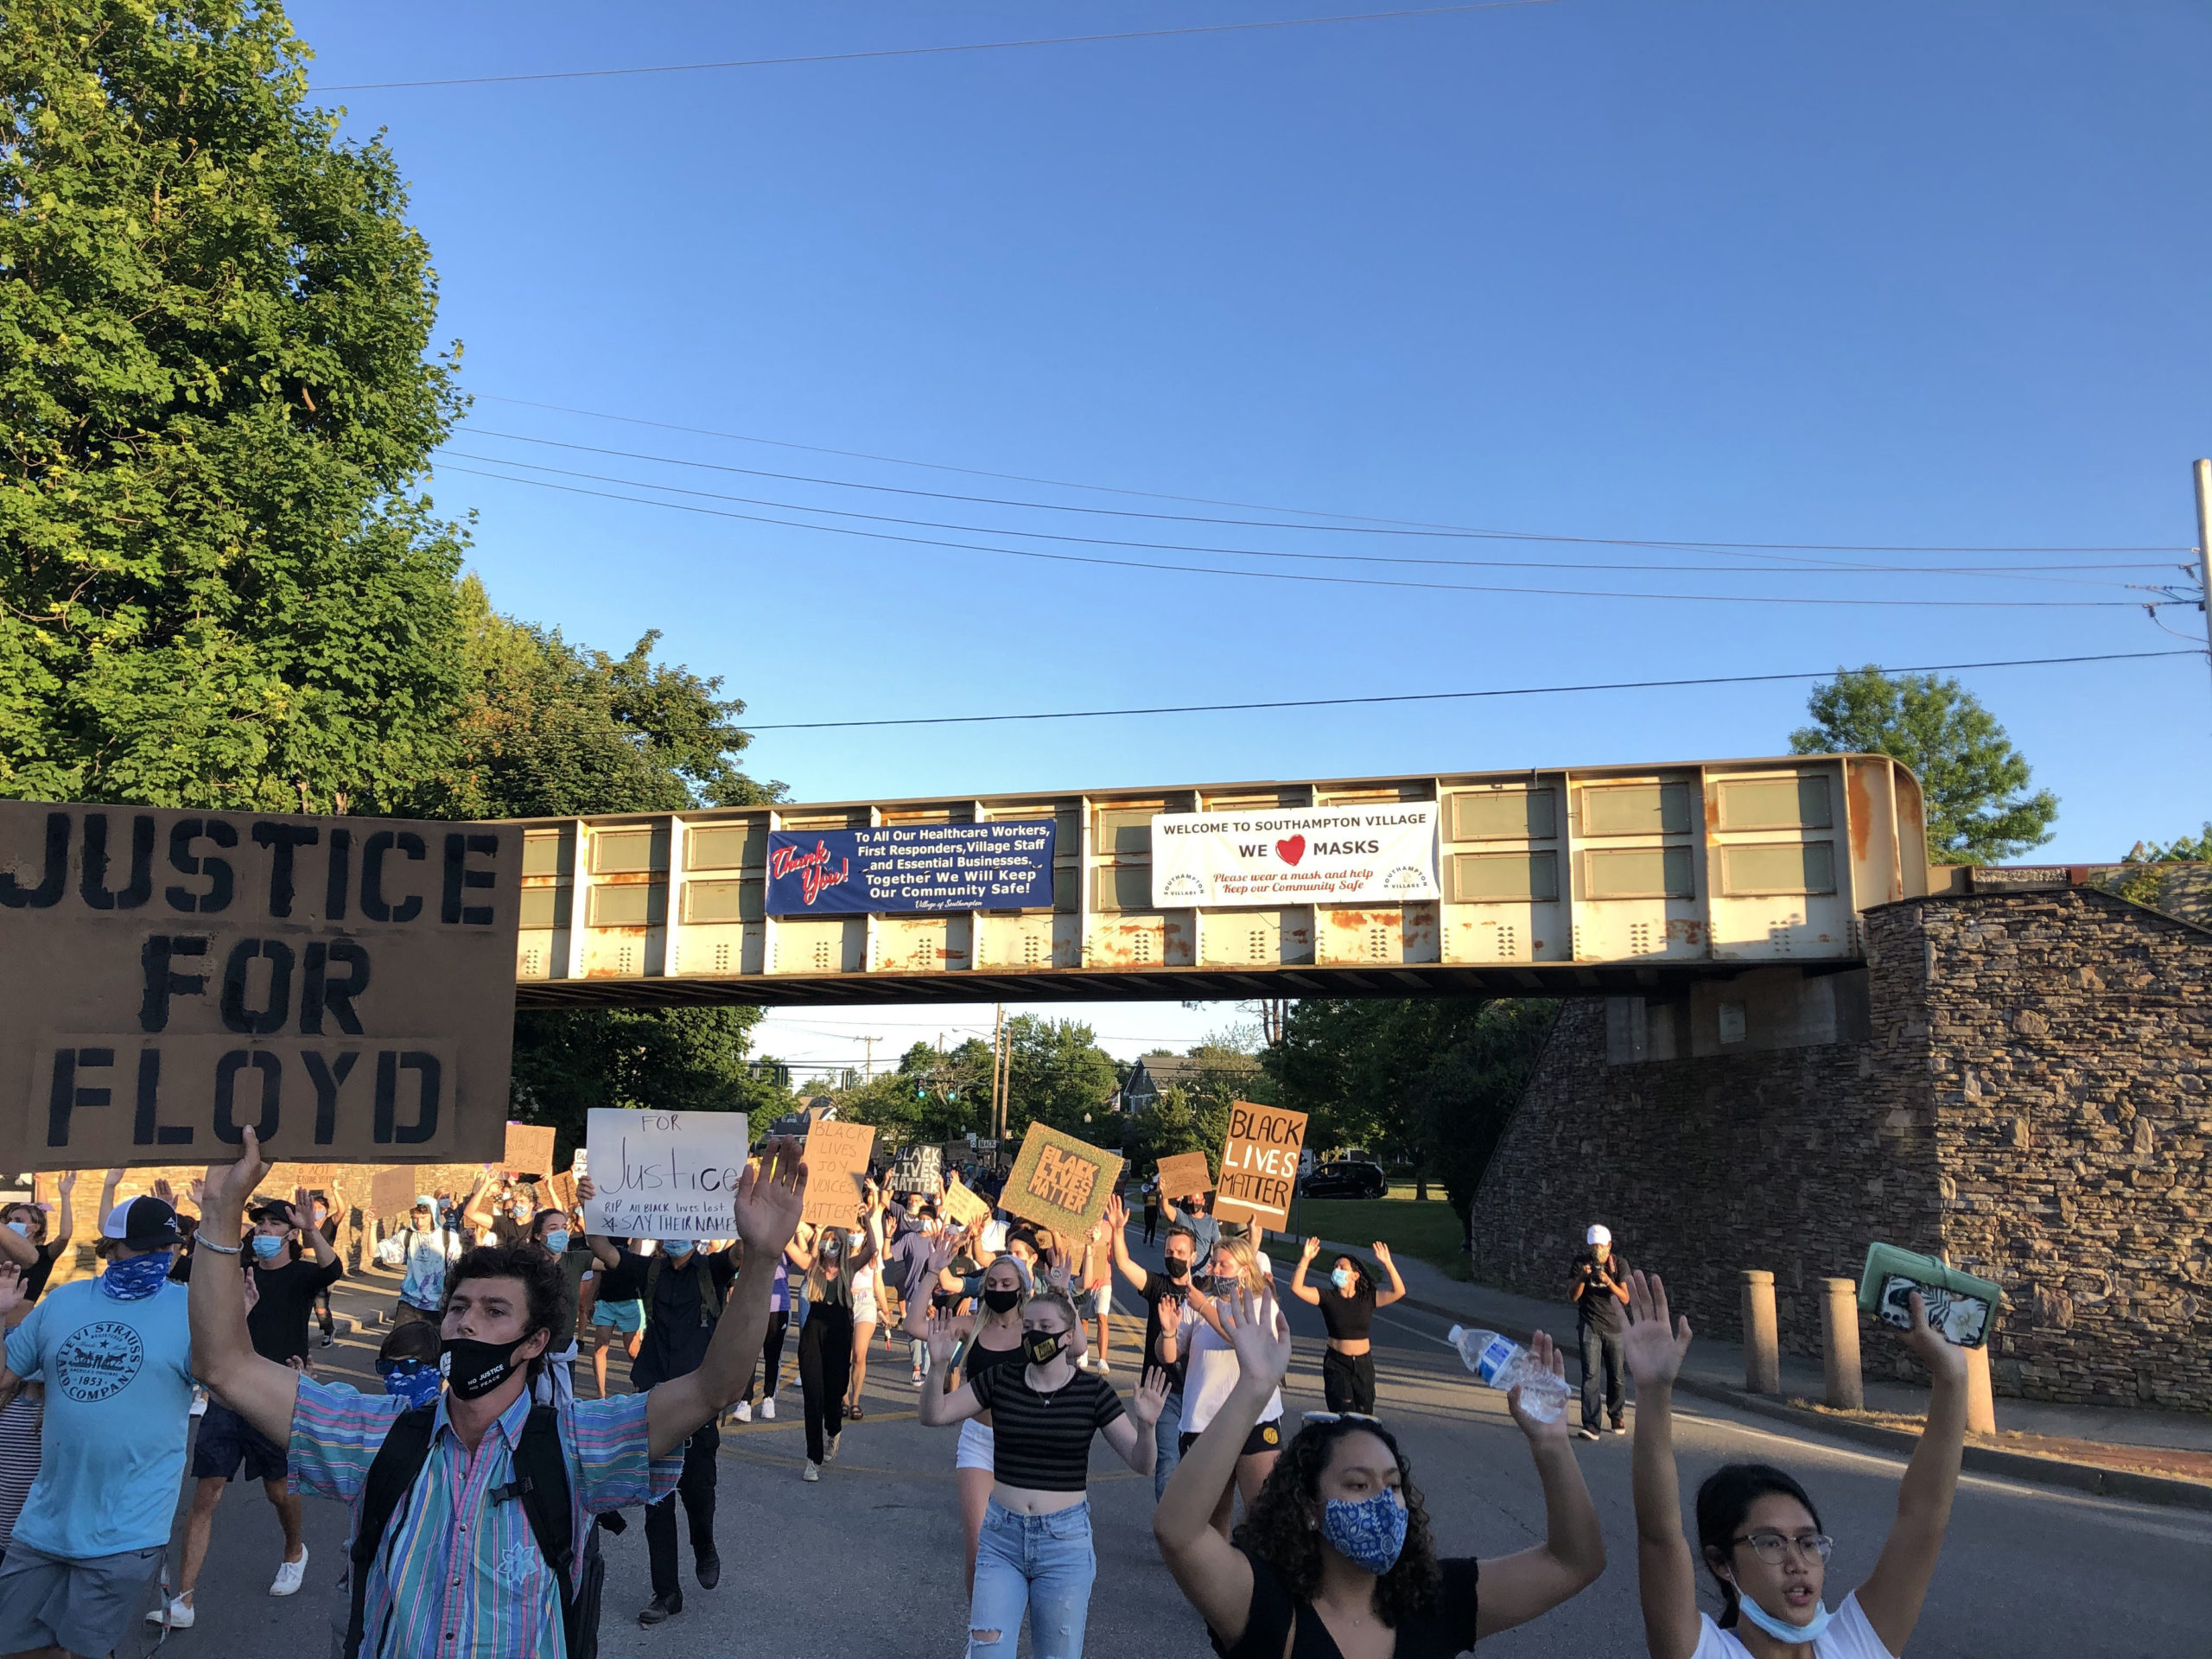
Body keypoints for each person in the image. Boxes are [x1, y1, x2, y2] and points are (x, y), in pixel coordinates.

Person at [188, 1128, 807, 1659]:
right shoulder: (377, 1436)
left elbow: (714, 1388)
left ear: (536, 1342)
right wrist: (219, 1216)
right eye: (457, 1308)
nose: (466, 1323)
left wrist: (760, 1259)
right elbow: (227, 1367)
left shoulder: (574, 1447)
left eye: (493, 1310)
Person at [1156, 1284, 1606, 1656]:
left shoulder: (1433, 1599)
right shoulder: (1266, 1607)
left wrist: (1551, 1443)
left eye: (1392, 1487)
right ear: (1309, 1506)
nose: (1381, 1500)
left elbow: (1574, 1562)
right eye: (1357, 1484)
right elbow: (1179, 1533)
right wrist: (1253, 1388)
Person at [1624, 1269, 1967, 1659]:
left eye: (1809, 1542)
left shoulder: (1854, 1645)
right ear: (1721, 1563)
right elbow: (1659, 1534)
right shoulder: (1704, 1652)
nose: (1797, 1563)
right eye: (1770, 1542)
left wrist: (1952, 1377)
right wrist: (1653, 1394)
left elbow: (1924, 1518)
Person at [919, 1284, 1167, 1659]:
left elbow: (1142, 1463)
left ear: (1068, 1337)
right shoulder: (1000, 1379)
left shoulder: (1092, 1391)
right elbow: (934, 1415)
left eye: (1046, 1325)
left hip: (1063, 1543)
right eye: (1028, 1325)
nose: (1035, 1333)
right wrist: (938, 1368)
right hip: (1002, 1537)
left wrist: (1147, 1427)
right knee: (987, 1653)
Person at [0, 1195, 195, 1659]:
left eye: (165, 1248)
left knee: (84, 1651)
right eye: (142, 1248)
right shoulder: (63, 1302)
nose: (158, 1258)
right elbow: (6, 1380)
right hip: (44, 1523)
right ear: (111, 1247)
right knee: (17, 1647)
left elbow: (231, 1379)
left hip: (126, 1528)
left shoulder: (192, 1311)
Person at [149, 1186, 341, 1630]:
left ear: (289, 1234)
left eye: (274, 1224)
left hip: (276, 1394)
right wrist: (182, 1215)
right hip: (227, 1394)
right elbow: (180, 1265)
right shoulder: (238, 1267)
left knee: (277, 1491)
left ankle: (295, 1550)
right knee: (206, 1493)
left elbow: (333, 1268)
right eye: (260, 1224)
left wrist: (312, 1230)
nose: (264, 1230)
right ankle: (184, 1599)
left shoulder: (300, 1274)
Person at [581, 1222, 737, 1626]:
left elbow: (748, 1255)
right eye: (668, 1227)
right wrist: (592, 1205)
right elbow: (601, 1245)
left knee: (699, 1492)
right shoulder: (648, 1270)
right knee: (656, 1502)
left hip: (698, 1403)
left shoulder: (713, 1269)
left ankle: (704, 1544)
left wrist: (745, 1215)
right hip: (652, 1398)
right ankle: (666, 1592)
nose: (673, 1236)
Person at [902, 1238, 1031, 1592]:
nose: (998, 1290)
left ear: (1022, 1288)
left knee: (1023, 1551)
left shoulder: (1035, 1329)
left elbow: (1077, 1346)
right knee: (978, 1552)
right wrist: (931, 1273)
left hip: (1024, 1446)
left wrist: (1064, 1291)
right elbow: (913, 1326)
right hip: (979, 1441)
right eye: (991, 1284)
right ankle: (981, 1635)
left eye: (1007, 1284)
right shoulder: (970, 1324)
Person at [1180, 1232, 1286, 1539]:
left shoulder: (1261, 1304)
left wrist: (1203, 1308)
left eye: (1222, 1265)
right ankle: (1222, 1580)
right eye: (1213, 1263)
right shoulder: (1204, 1303)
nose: (1213, 1270)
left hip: (1256, 1419)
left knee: (1263, 1513)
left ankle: (1263, 1580)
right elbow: (1171, 1353)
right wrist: (1168, 1330)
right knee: (1215, 1519)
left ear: (1244, 1270)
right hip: (1207, 1422)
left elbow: (1244, 1341)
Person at [1098, 1195, 1197, 1497]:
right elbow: (1125, 1264)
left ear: (1193, 1256)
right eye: (1169, 1251)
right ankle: (1168, 1526)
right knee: (1168, 1459)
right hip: (1162, 1390)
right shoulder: (1157, 1285)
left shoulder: (1204, 1293)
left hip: (1199, 1390)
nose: (1174, 1256)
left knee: (1200, 1464)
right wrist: (1117, 1230)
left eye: (1180, 1252)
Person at [784, 1208, 878, 1481]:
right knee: (813, 1396)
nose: (830, 1244)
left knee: (835, 1391)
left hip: (838, 1331)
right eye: (827, 1239)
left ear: (843, 1243)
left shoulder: (848, 1267)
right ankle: (812, 1459)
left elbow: (872, 1246)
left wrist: (870, 1217)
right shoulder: (812, 1266)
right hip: (813, 1330)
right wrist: (792, 1218)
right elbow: (788, 1245)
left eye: (835, 1240)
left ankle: (834, 1429)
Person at [1290, 1236, 1408, 1416]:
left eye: (1342, 1267)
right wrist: (1305, 1259)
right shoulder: (1328, 1298)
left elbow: (1398, 1292)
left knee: (1364, 1414)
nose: (1337, 1270)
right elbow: (1297, 1288)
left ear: (1355, 1275)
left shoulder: (1367, 1298)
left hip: (1363, 1364)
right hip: (1337, 1363)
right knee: (1343, 1416)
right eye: (1335, 1267)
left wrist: (1388, 1264)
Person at [1570, 1223, 1631, 1440]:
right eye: (1593, 1246)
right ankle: (1591, 1424)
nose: (1597, 1251)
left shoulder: (1619, 1265)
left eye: (1601, 1246)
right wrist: (1581, 1278)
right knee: (1590, 1376)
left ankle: (1616, 1414)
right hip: (1590, 1324)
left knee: (1617, 1376)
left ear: (1609, 1245)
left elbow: (1625, 1298)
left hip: (1615, 1327)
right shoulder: (1581, 1263)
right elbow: (1573, 1297)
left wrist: (1608, 1282)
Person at [392, 1180, 480, 1326]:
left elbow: (457, 1262)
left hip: (439, 1295)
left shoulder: (453, 1220)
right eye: (443, 1196)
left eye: (448, 1196)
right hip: (412, 1297)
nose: (419, 1222)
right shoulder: (417, 1229)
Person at [727, 1234, 791, 1424]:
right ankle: (745, 1401)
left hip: (778, 1306)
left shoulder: (786, 1239)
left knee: (773, 1355)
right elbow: (731, 1253)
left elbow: (808, 1260)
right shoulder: (751, 1237)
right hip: (752, 1304)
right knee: (749, 1355)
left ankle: (769, 1397)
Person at [846, 1184, 888, 1421]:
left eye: (858, 1230)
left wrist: (885, 1309)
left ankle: (855, 1400)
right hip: (845, 1303)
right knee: (846, 1355)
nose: (854, 1234)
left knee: (859, 1354)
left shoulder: (871, 1255)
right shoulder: (840, 1252)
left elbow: (878, 1283)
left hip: (865, 1303)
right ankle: (842, 1397)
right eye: (850, 1231)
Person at [587, 1233, 646, 1400]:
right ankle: (601, 1395)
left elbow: (634, 1255)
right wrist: (590, 1299)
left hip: (629, 1300)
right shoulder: (604, 1237)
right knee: (600, 1347)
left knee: (632, 1350)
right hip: (606, 1299)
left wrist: (637, 1233)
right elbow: (597, 1272)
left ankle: (641, 1383)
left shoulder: (632, 1235)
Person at [1075, 1217, 1114, 1374]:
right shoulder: (1082, 1223)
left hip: (1104, 1279)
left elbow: (1114, 1252)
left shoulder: (1108, 1227)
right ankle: (1083, 1353)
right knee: (1084, 1318)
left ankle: (1102, 1360)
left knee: (1102, 1317)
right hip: (1086, 1279)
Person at [1141, 1179, 1160, 1247]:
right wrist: (1147, 1193)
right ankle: (1146, 1236)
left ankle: (1151, 1242)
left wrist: (1159, 1213)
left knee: (1153, 1226)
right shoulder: (1146, 1192)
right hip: (1147, 1210)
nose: (1151, 1186)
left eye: (1152, 1184)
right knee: (1148, 1225)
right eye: (1150, 1184)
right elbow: (1144, 1201)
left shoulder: (1156, 1193)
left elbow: (1158, 1203)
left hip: (1154, 1210)